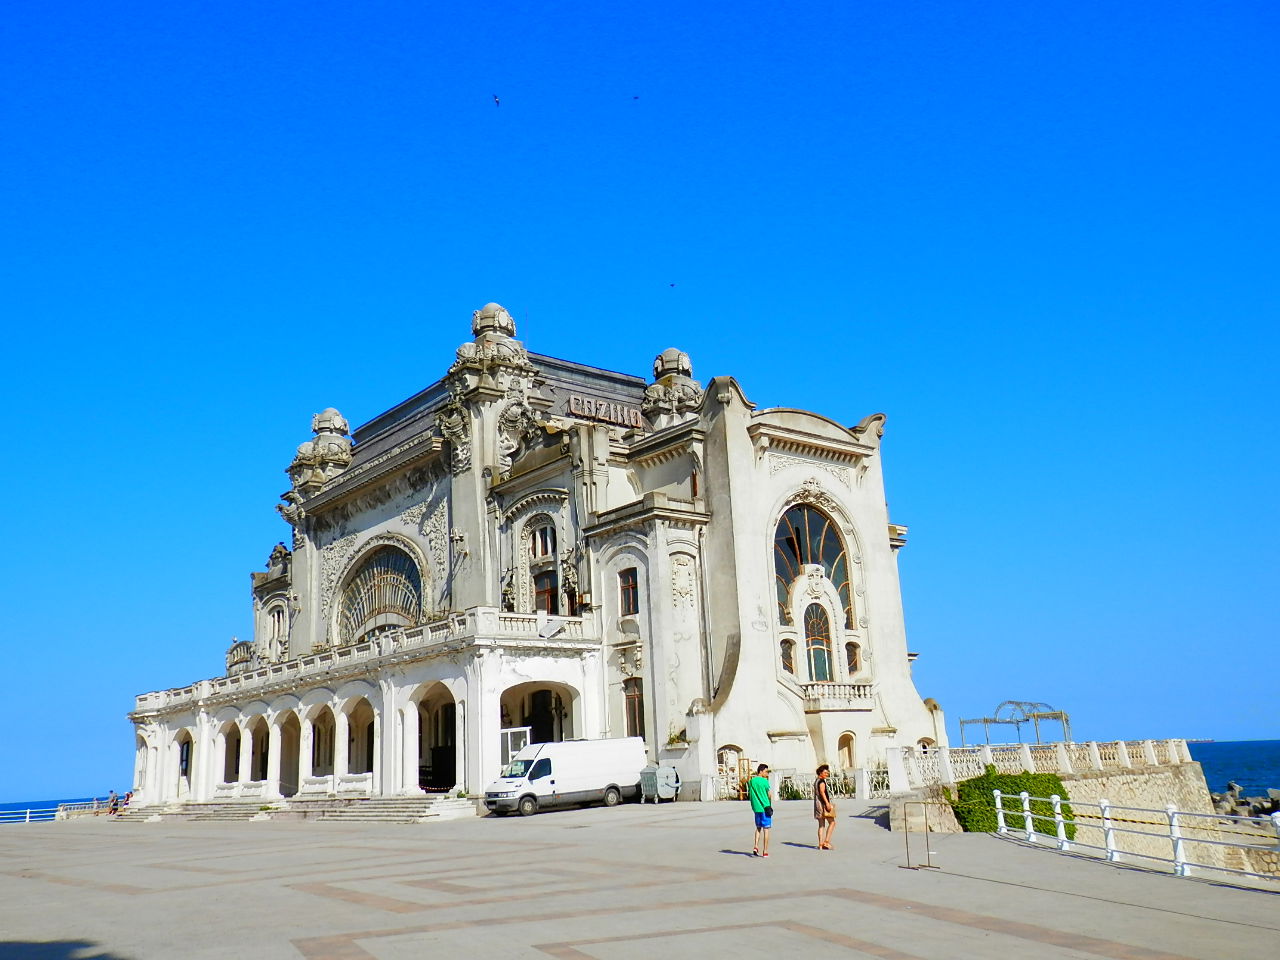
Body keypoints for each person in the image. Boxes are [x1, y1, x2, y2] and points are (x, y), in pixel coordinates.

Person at [748, 763, 773, 857]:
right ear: (761, 771)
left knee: (758, 828)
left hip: (756, 808)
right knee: (766, 829)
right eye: (766, 771)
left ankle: (755, 846)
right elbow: (769, 794)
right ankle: (765, 851)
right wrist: (769, 804)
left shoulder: (751, 781)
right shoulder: (764, 781)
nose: (767, 773)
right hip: (765, 807)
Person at [814, 764, 836, 849]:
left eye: (827, 773)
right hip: (823, 804)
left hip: (817, 804)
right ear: (820, 773)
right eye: (825, 772)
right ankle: (826, 842)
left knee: (821, 825)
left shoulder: (816, 781)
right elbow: (822, 792)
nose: (827, 774)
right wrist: (827, 803)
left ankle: (820, 844)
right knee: (832, 822)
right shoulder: (822, 782)